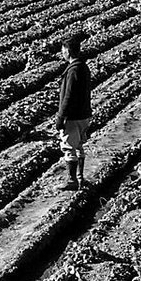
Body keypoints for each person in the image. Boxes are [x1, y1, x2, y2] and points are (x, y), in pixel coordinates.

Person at [55, 34, 92, 190]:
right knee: (79, 145)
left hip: (74, 116)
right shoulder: (83, 67)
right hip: (84, 114)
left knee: (69, 145)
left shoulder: (73, 70)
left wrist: (61, 116)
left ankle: (72, 180)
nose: (62, 53)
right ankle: (80, 177)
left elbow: (68, 95)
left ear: (68, 51)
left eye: (63, 49)